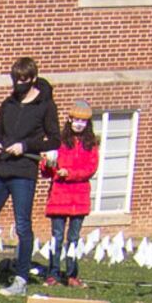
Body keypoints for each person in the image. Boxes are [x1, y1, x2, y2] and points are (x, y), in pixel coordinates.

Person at [0, 56, 59, 290]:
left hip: (23, 172)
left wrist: (25, 146)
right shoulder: (7, 104)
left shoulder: (45, 106)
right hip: (0, 169)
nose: (18, 84)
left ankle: (21, 278)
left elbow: (54, 140)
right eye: (15, 80)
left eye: (23, 80)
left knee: (22, 226)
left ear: (32, 79)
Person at [41, 114, 101, 283]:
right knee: (57, 237)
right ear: (69, 120)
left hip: (79, 198)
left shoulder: (91, 144)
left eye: (83, 121)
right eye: (76, 120)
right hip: (59, 196)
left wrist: (70, 173)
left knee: (73, 238)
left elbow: (90, 169)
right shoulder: (58, 141)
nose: (79, 124)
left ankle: (72, 274)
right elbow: (47, 172)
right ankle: (53, 273)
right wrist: (47, 163)